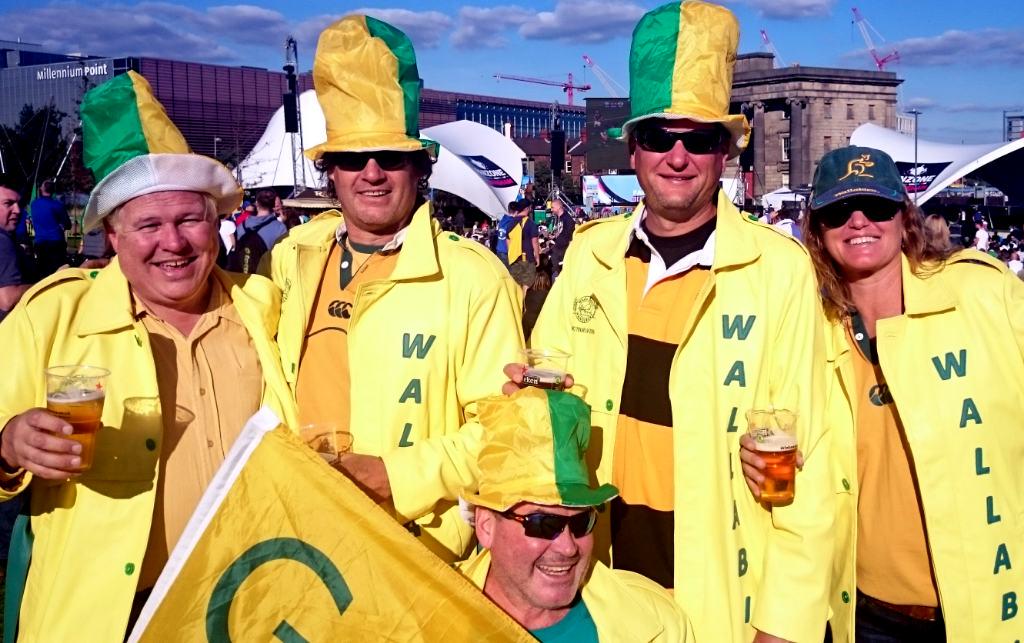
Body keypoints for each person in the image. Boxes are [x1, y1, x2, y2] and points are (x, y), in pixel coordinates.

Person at [515, 3, 832, 641]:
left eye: (700, 138)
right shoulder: (590, 255)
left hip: (723, 598)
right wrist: (525, 404)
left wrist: (784, 624)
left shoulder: (779, 270)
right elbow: (543, 409)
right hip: (599, 589)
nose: (678, 155)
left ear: (725, 153)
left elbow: (815, 461)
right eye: (661, 137)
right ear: (634, 150)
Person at [0, 71, 297, 641]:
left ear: (215, 223)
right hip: (109, 617)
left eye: (189, 219)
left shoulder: (262, 305)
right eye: (149, 225)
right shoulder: (54, 315)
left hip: (243, 604)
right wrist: (10, 444)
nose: (174, 242)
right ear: (113, 236)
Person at [264, 14, 524, 561]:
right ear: (331, 171)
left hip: (413, 546)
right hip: (299, 529)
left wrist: (394, 476)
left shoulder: (472, 277)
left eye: (390, 157)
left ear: (419, 168)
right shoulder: (290, 259)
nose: (372, 172)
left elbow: (504, 431)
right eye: (352, 158)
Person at [741, 145, 1024, 642]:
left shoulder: (981, 295)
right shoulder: (809, 333)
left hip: (993, 606)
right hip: (868, 616)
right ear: (817, 231)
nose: (858, 221)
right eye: (838, 211)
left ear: (903, 217)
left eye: (875, 206)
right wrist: (752, 455)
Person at [459, 388, 692, 642]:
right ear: (486, 526)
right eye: (544, 524)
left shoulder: (659, 621)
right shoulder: (430, 613)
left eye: (582, 522)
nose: (568, 547)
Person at [229, 188, 287, 273]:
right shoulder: (280, 228)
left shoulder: (243, 225)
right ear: (273, 204)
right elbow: (282, 258)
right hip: (265, 276)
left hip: (241, 275)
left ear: (257, 203)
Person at [27, 180, 71, 278]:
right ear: (53, 190)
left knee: (43, 272)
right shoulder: (58, 205)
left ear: (41, 189)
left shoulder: (34, 204)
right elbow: (68, 224)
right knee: (58, 271)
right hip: (56, 242)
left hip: (40, 243)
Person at [0, 178, 30, 320]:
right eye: (8, 203)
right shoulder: (2, 240)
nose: (17, 210)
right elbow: (8, 299)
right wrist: (50, 282)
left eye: (19, 204)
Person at [550, 198, 575, 278]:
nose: (551, 209)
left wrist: (558, 242)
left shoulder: (567, 219)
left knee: (557, 273)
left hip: (562, 252)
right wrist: (554, 237)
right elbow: (561, 232)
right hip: (558, 250)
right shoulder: (560, 218)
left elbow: (568, 235)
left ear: (558, 207)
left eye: (552, 207)